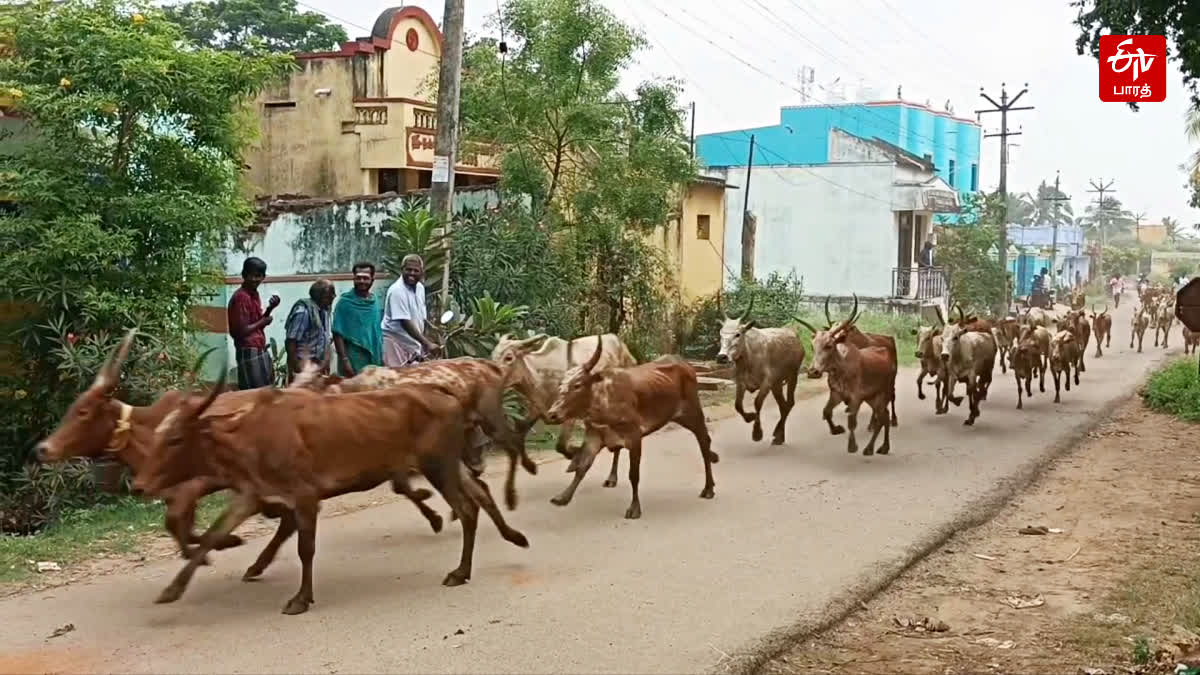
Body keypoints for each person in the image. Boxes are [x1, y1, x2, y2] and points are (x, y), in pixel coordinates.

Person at [228, 256, 280, 390]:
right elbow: (240, 331)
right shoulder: (241, 297)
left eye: (258, 276)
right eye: (251, 276)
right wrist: (264, 321)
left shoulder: (254, 294)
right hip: (248, 349)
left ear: (263, 277)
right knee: (255, 395)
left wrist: (270, 308)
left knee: (266, 393)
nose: (254, 279)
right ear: (244, 275)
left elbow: (256, 322)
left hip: (258, 348)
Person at [381, 253, 441, 366]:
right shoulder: (397, 291)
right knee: (396, 379)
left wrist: (432, 331)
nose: (412, 273)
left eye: (416, 270)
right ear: (402, 270)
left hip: (411, 343)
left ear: (422, 272)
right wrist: (427, 343)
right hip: (395, 343)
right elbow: (405, 322)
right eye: (408, 270)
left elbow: (419, 316)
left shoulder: (420, 288)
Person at [331, 262, 383, 377]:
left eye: (365, 278)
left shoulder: (374, 301)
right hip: (353, 359)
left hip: (374, 358)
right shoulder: (344, 303)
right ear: (353, 278)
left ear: (372, 280)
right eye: (358, 278)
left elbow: (376, 332)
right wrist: (345, 361)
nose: (362, 281)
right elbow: (337, 334)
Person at [284, 279, 335, 380]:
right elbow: (291, 341)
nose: (333, 297)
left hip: (317, 364)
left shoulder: (324, 310)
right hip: (303, 364)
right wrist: (298, 369)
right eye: (330, 295)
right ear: (320, 297)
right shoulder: (303, 312)